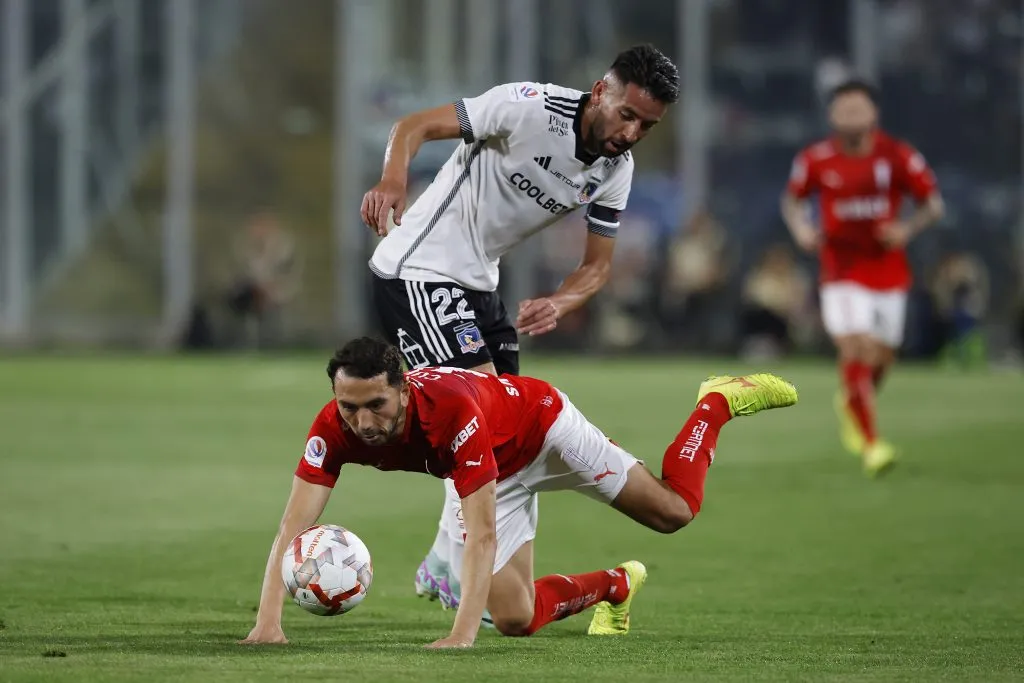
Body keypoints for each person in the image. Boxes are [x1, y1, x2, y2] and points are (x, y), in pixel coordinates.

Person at [360, 45, 680, 610]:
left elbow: (596, 267)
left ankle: (452, 561)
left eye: (647, 126)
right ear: (601, 91)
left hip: (480, 288)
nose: (632, 133)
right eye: (628, 116)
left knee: (508, 435)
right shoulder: (528, 108)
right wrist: (392, 179)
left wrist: (562, 300)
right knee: (484, 414)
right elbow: (413, 125)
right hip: (418, 270)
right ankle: (448, 561)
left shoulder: (615, 171)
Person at [240, 337, 798, 648]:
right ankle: (616, 586)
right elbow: (294, 527)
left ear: (403, 392)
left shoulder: (448, 414)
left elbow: (481, 534)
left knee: (674, 511)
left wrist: (460, 637)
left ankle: (716, 403)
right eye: (349, 406)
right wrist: (269, 622)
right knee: (514, 619)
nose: (361, 421)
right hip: (491, 471)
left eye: (375, 406)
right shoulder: (332, 428)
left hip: (544, 429)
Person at [780, 78, 944, 476]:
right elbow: (792, 201)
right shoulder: (816, 158)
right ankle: (873, 445)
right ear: (832, 115)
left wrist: (906, 229)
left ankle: (852, 400)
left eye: (859, 108)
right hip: (841, 270)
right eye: (843, 109)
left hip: (888, 271)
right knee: (855, 346)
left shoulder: (898, 155)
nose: (851, 115)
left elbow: (933, 204)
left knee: (882, 357)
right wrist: (803, 230)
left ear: (874, 113)